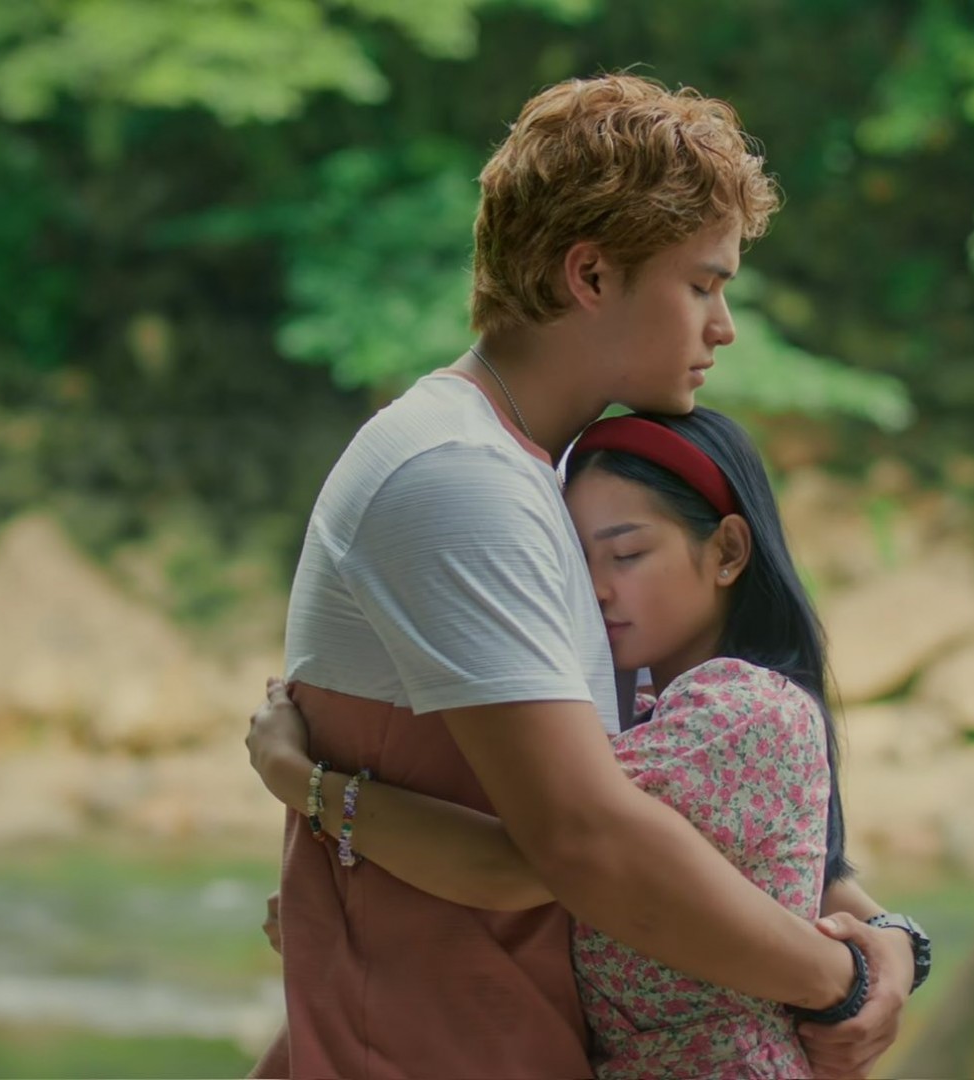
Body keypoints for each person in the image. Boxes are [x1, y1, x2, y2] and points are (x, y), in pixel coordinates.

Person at [242, 73, 928, 1078]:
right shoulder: (458, 477)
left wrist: (891, 940)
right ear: (592, 275)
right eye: (702, 286)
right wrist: (838, 981)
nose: (725, 326)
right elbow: (580, 841)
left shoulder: (547, 480)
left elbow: (685, 813)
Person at [255, 406, 934, 1076]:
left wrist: (298, 779)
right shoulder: (645, 714)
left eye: (628, 554)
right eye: (576, 565)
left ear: (728, 552)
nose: (597, 591)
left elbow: (518, 859)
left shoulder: (737, 710)